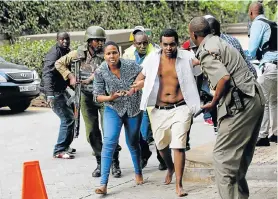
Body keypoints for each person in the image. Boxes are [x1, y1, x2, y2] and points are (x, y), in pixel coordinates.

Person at [189, 17, 265, 199]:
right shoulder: (219, 41)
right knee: (238, 160)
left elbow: (223, 78)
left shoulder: (206, 51)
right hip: (254, 98)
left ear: (193, 34)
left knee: (222, 159)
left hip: (241, 104)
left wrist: (213, 102)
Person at [132, 29, 201, 197]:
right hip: (159, 110)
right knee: (161, 146)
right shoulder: (152, 59)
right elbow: (139, 79)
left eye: (172, 44)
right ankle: (169, 167)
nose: (169, 48)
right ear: (160, 44)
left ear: (177, 43)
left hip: (181, 107)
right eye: (165, 44)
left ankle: (179, 184)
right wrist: (140, 85)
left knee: (178, 145)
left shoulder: (187, 57)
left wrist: (199, 62)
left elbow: (201, 70)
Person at [55, 26, 122, 177]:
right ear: (89, 41)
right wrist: (70, 76)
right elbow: (58, 63)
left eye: (101, 40)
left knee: (109, 132)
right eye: (97, 40)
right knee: (92, 132)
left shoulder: (107, 52)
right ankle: (100, 162)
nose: (100, 43)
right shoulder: (78, 53)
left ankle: (114, 162)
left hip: (105, 96)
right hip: (85, 96)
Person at [93, 41, 143, 195]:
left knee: (132, 141)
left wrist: (135, 87)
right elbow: (97, 96)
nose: (112, 56)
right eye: (108, 53)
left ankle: (138, 172)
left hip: (134, 108)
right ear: (104, 55)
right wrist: (110, 97)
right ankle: (103, 184)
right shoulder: (100, 71)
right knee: (109, 142)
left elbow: (145, 75)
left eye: (114, 52)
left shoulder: (131, 65)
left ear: (119, 53)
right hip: (113, 108)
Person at [123, 30, 167, 171]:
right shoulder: (128, 54)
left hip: (153, 96)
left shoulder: (156, 53)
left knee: (157, 130)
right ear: (133, 43)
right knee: (139, 132)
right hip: (136, 97)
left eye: (145, 43)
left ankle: (163, 158)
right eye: (139, 43)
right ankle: (145, 153)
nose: (142, 46)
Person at [246, 2, 277, 146]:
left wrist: (242, 56)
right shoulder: (273, 23)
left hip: (270, 66)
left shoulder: (257, 24)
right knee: (274, 101)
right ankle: (275, 134)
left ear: (251, 12)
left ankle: (263, 135)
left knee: (261, 100)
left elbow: (251, 50)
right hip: (275, 67)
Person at [42, 32, 75, 159]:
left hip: (62, 89)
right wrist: (49, 95)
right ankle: (59, 150)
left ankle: (66, 146)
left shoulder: (66, 51)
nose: (65, 41)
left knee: (72, 117)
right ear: (57, 40)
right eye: (62, 39)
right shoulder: (54, 54)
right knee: (67, 118)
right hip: (54, 92)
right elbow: (47, 74)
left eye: (67, 39)